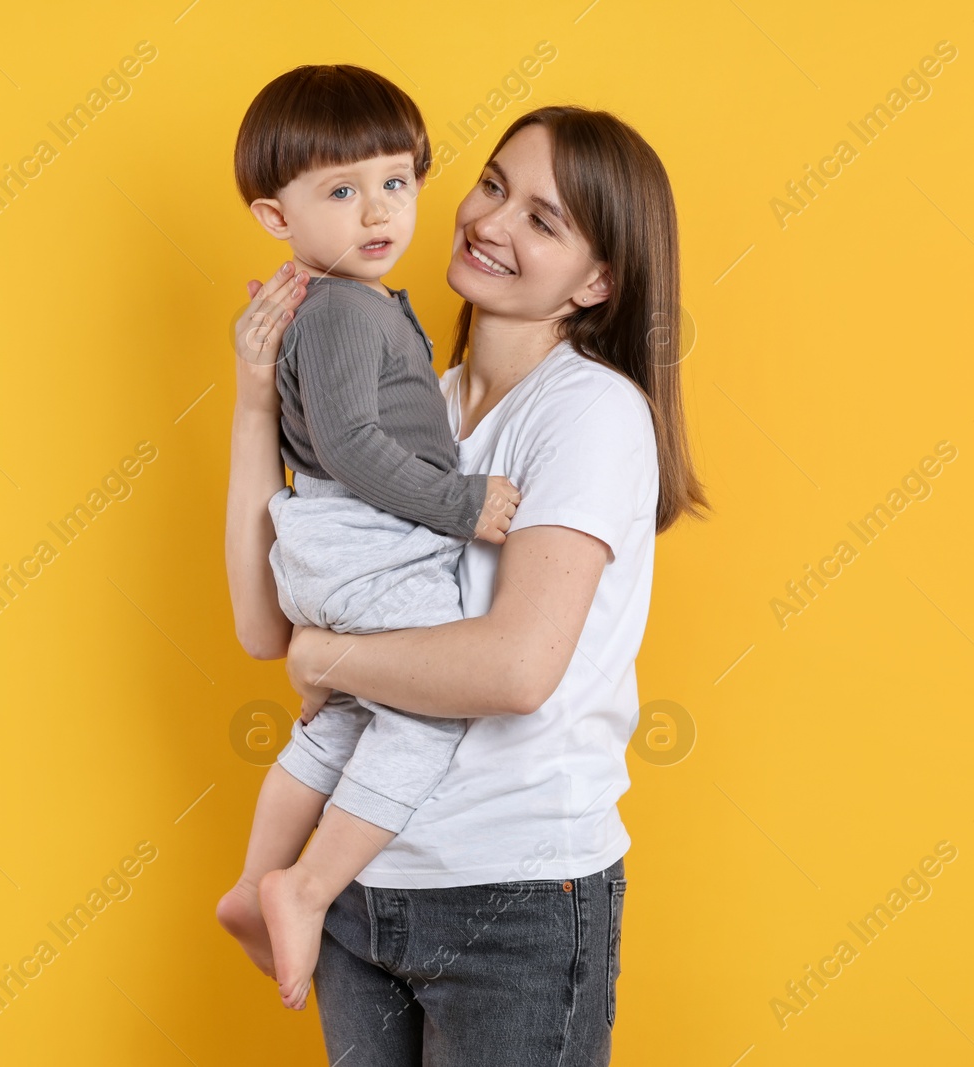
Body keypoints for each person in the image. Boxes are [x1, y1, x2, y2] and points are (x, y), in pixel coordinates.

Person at [227, 104, 709, 1065]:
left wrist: (330, 655)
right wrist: (251, 402)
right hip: (364, 883)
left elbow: (515, 669)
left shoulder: (589, 414)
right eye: (492, 186)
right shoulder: (419, 410)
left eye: (545, 219)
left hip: (515, 898)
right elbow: (259, 624)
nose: (491, 222)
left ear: (599, 279)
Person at [215, 64, 524, 1011]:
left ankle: (253, 883)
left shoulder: (356, 301)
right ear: (277, 219)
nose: (377, 211)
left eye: (396, 182)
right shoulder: (345, 308)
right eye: (340, 192)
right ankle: (304, 888)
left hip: (329, 544)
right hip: (365, 544)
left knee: (353, 715)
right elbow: (348, 443)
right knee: (431, 705)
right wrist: (459, 504)